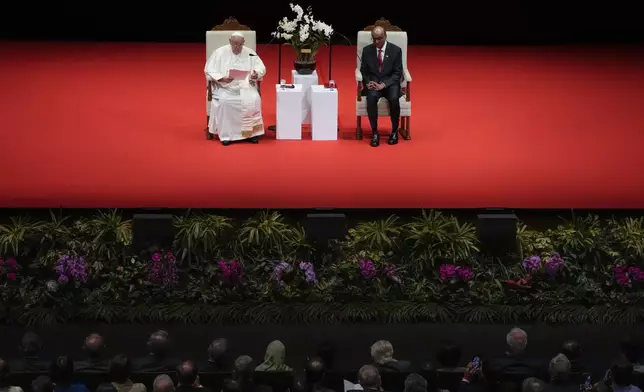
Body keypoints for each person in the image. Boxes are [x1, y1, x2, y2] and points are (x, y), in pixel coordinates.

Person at [205, 31, 266, 146]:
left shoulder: (250, 53)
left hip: (246, 86)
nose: (237, 47)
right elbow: (209, 70)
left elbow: (261, 68)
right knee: (225, 102)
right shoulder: (219, 53)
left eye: (240, 44)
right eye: (234, 44)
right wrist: (222, 78)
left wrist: (256, 74)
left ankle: (251, 133)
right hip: (225, 87)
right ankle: (227, 136)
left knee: (254, 99)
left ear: (243, 43)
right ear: (230, 42)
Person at [360, 26, 403, 147]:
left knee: (394, 99)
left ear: (385, 36)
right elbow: (364, 71)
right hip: (374, 83)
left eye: (379, 39)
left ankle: (394, 131)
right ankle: (374, 132)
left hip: (390, 84)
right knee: (371, 98)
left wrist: (384, 84)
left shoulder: (396, 50)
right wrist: (368, 82)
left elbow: (397, 73)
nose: (376, 42)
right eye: (374, 39)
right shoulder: (367, 50)